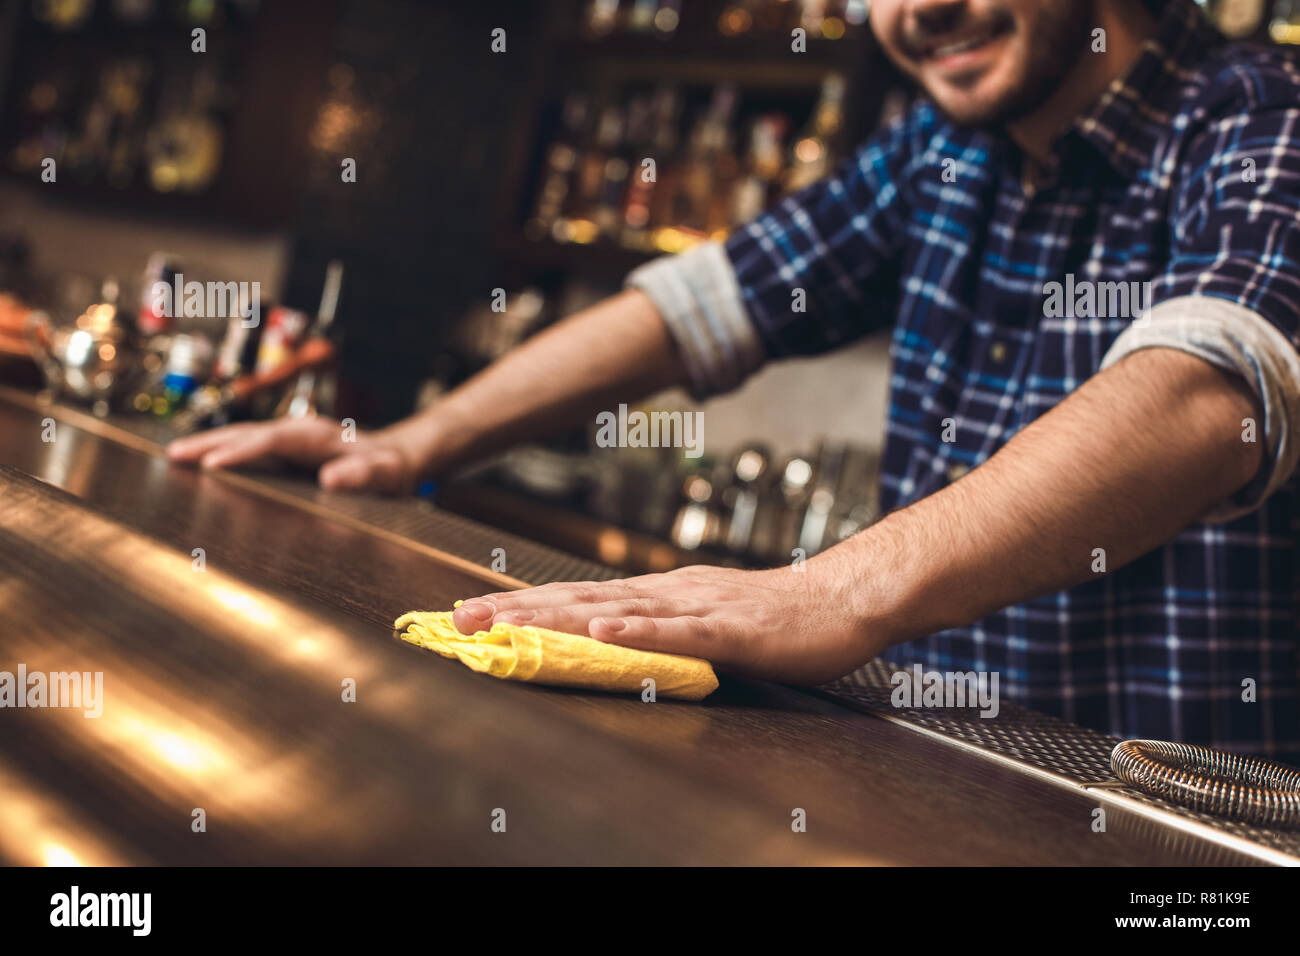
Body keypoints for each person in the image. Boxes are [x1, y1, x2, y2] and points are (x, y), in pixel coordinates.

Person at [169, 0, 1300, 763]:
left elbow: (1209, 392)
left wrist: (825, 591)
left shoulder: (1260, 110)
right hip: (933, 770)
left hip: (1171, 823)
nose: (915, 14)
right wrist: (410, 445)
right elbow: (695, 305)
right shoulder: (938, 151)